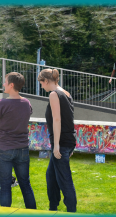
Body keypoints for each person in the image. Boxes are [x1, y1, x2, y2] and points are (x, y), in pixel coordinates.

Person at [0, 72, 37, 209]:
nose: (3, 84)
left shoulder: (1, 103)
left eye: (5, 82)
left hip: (4, 149)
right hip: (22, 149)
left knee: (5, 185)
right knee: (25, 184)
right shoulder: (27, 103)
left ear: (11, 85)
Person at [38, 68, 77, 212]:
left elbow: (57, 120)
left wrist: (56, 146)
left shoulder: (54, 94)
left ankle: (71, 211)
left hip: (61, 143)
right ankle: (53, 207)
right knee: (51, 176)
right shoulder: (66, 93)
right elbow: (69, 119)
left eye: (41, 83)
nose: (42, 86)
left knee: (64, 179)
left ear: (47, 81)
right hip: (67, 141)